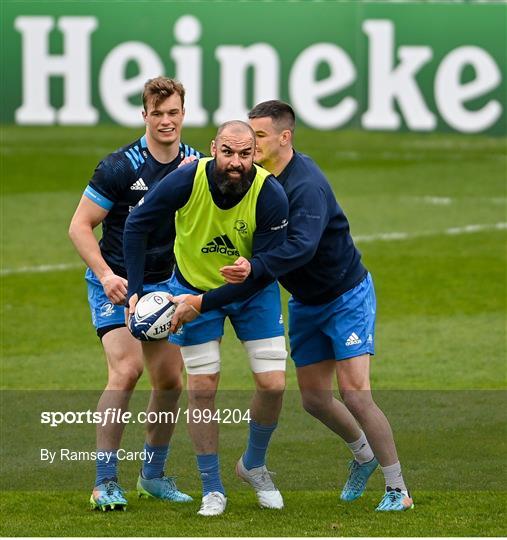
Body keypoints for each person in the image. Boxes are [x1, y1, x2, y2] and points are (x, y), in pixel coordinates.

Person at [170, 101, 414, 512]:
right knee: (314, 400)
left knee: (355, 393)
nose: (251, 143)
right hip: (305, 302)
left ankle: (398, 490)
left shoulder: (306, 185)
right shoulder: (257, 180)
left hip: (345, 296)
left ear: (285, 137)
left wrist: (252, 268)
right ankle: (364, 457)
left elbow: (301, 248)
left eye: (259, 136)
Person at [123, 121, 289, 516]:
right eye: (227, 152)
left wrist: (213, 295)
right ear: (214, 147)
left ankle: (254, 466)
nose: (235, 162)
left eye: (245, 154)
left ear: (255, 154)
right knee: (201, 389)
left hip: (251, 294)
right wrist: (134, 289)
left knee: (273, 385)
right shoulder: (186, 180)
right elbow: (136, 226)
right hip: (190, 288)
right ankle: (212, 488)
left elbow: (264, 272)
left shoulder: (271, 195)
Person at [68, 77, 203, 511]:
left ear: (184, 113)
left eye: (173, 113)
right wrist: (107, 276)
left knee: (170, 381)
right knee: (126, 371)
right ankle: (104, 481)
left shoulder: (196, 165)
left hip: (166, 284)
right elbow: (79, 226)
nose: (166, 121)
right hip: (119, 281)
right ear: (144, 115)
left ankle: (153, 475)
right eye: (157, 113)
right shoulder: (121, 166)